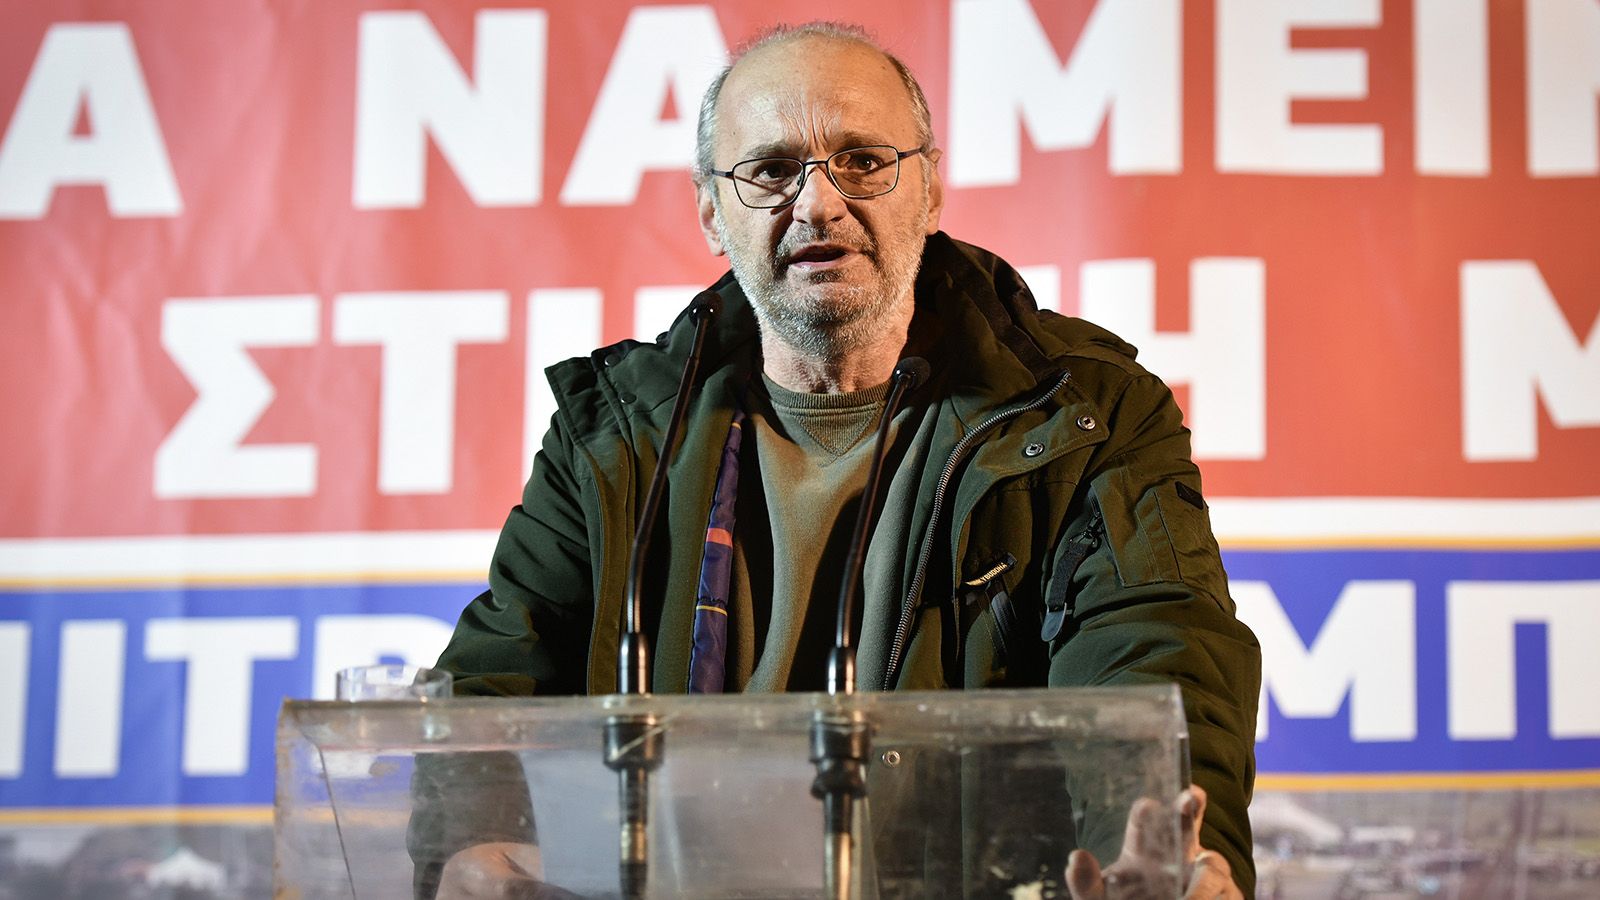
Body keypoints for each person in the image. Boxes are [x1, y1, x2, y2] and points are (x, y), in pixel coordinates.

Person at [420, 22, 1260, 900]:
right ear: (711, 212)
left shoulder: (1082, 413)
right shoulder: (614, 435)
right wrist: (472, 850)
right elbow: (494, 687)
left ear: (928, 190)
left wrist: (1167, 852)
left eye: (862, 161)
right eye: (771, 170)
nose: (818, 203)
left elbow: (1157, 654)